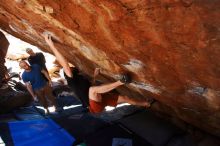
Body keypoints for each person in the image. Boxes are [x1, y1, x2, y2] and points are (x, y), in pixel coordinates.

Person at [44, 34, 152, 114]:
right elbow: (65, 64)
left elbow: (90, 85)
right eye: (72, 68)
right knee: (93, 90)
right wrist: (52, 45)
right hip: (94, 106)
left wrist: (95, 75)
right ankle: (121, 81)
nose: (73, 68)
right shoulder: (71, 78)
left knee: (125, 98)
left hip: (99, 98)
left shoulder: (80, 78)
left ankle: (146, 104)